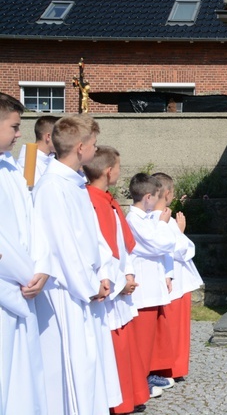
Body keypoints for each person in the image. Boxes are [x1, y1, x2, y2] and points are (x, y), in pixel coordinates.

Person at [33, 115, 122, 413]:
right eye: (94, 145)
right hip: (68, 294)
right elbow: (62, 246)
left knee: (92, 367)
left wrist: (106, 273)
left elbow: (94, 237)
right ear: (81, 147)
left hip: (90, 287)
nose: (96, 151)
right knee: (75, 369)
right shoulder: (52, 187)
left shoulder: (76, 184)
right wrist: (89, 284)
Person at [83, 146, 150, 413]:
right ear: (109, 171)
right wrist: (120, 281)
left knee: (125, 344)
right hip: (110, 286)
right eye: (119, 168)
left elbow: (121, 244)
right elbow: (100, 247)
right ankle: (118, 402)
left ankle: (130, 397)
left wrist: (129, 272)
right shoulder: (92, 201)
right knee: (113, 346)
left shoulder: (107, 201)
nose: (120, 173)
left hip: (121, 280)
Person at [0, 93, 49, 414]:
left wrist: (41, 268)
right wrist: (25, 274)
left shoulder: (10, 167)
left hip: (25, 283)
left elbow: (32, 221)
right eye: (15, 127)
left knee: (23, 376)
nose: (20, 134)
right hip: (9, 284)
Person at [125, 173, 177, 395]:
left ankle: (146, 374)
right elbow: (161, 244)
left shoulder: (144, 219)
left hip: (152, 286)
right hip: (143, 289)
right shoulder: (134, 219)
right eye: (156, 197)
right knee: (141, 340)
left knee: (151, 338)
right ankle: (140, 380)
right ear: (147, 197)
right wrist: (163, 224)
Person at [149, 172, 203, 380]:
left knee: (162, 328)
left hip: (164, 281)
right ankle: (172, 369)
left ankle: (162, 368)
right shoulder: (166, 221)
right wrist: (180, 232)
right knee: (175, 330)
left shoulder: (146, 217)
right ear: (169, 194)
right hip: (176, 282)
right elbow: (184, 250)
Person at [16, 114, 59, 185]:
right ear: (48, 136)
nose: (62, 140)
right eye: (60, 136)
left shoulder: (51, 158)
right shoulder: (28, 163)